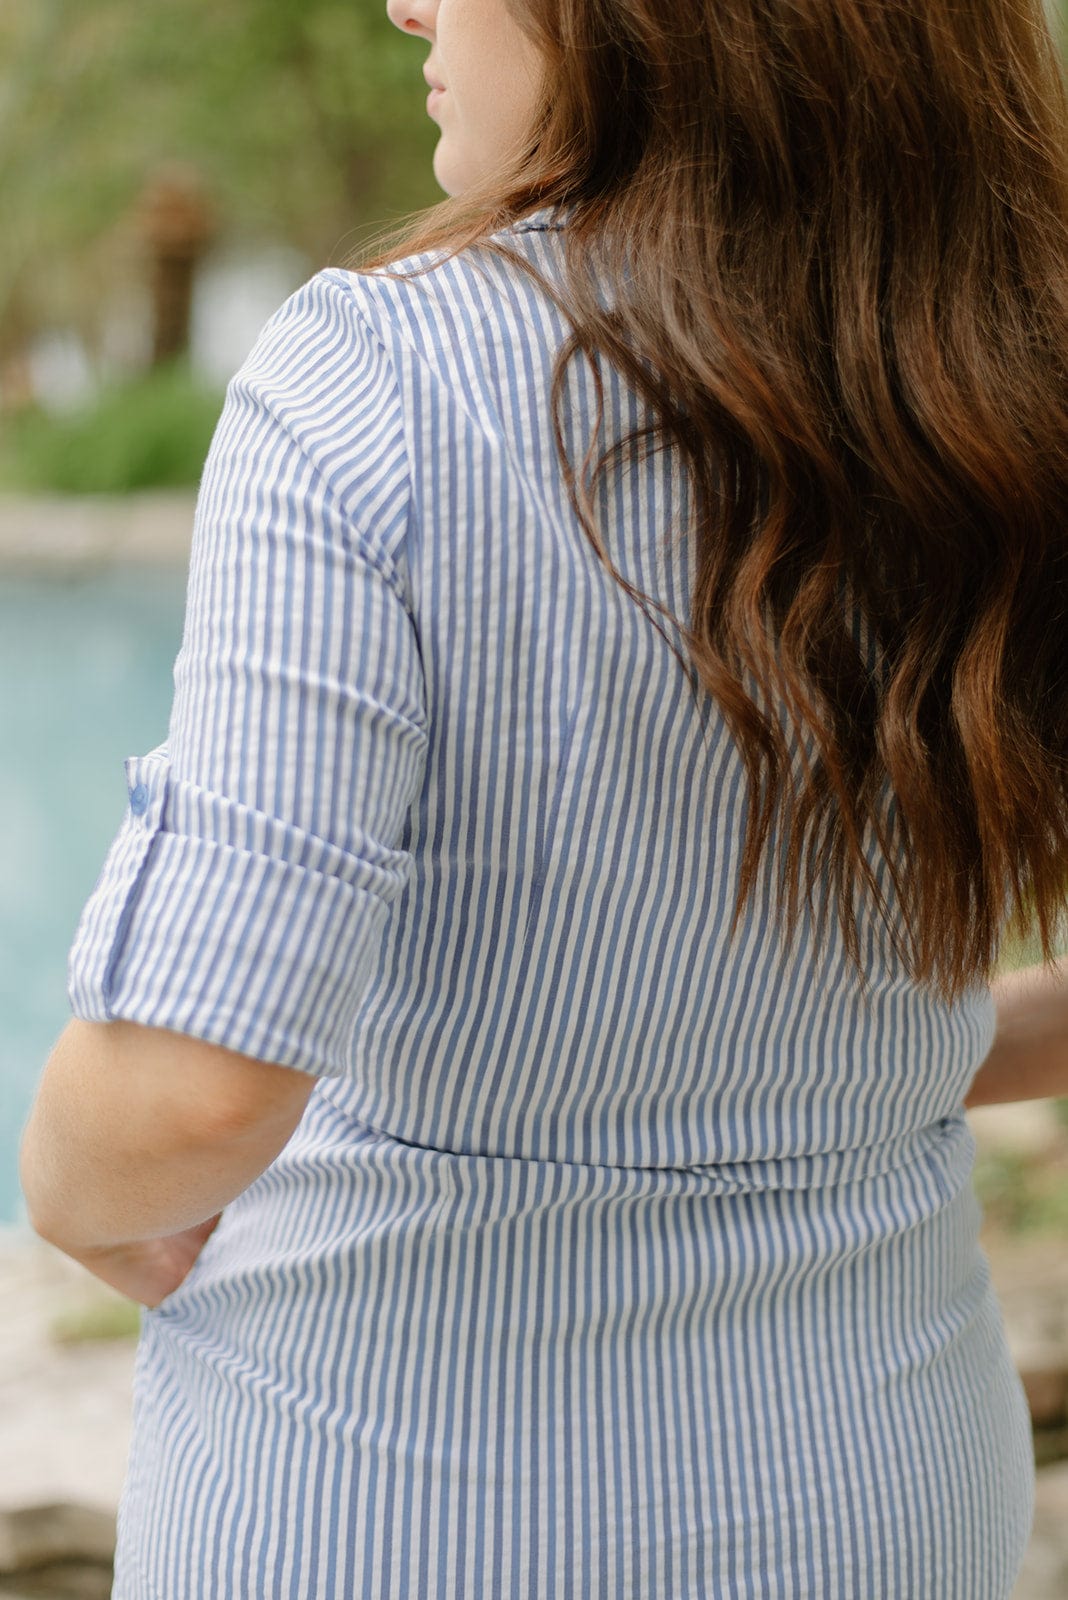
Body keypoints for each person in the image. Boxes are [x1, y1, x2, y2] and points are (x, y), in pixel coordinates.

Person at [18, 0, 1068, 1595]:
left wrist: (79, 1196)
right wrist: (856, 1063)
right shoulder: (1001, 381)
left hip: (401, 1494)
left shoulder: (373, 382)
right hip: (889, 1487)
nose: (410, 3)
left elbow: (192, 1092)